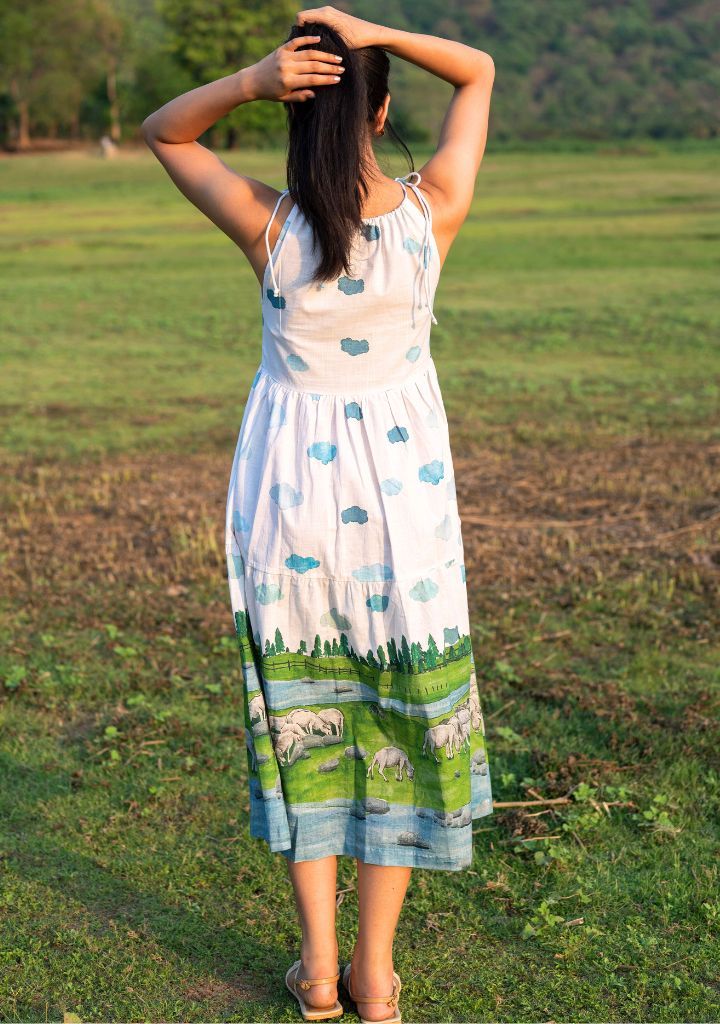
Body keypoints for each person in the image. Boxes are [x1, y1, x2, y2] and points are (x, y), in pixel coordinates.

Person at [142, 7, 495, 1021]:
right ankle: (379, 976)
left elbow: (168, 129)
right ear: (382, 115)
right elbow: (476, 73)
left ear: (298, 121)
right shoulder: (434, 214)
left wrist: (255, 78)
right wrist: (366, 25)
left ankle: (321, 971)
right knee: (395, 719)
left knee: (308, 719)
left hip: (286, 519)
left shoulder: (270, 228)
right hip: (405, 525)